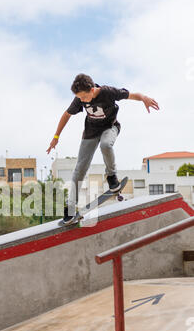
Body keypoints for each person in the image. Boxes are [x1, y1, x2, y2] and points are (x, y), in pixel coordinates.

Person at [47, 73, 159, 224]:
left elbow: (132, 95)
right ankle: (70, 208)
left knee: (106, 145)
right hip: (90, 133)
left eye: (84, 98)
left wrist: (144, 98)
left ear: (92, 90)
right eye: (79, 98)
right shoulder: (79, 99)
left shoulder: (108, 92)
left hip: (110, 128)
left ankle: (112, 177)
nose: (82, 101)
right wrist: (56, 137)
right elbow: (66, 115)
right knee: (80, 168)